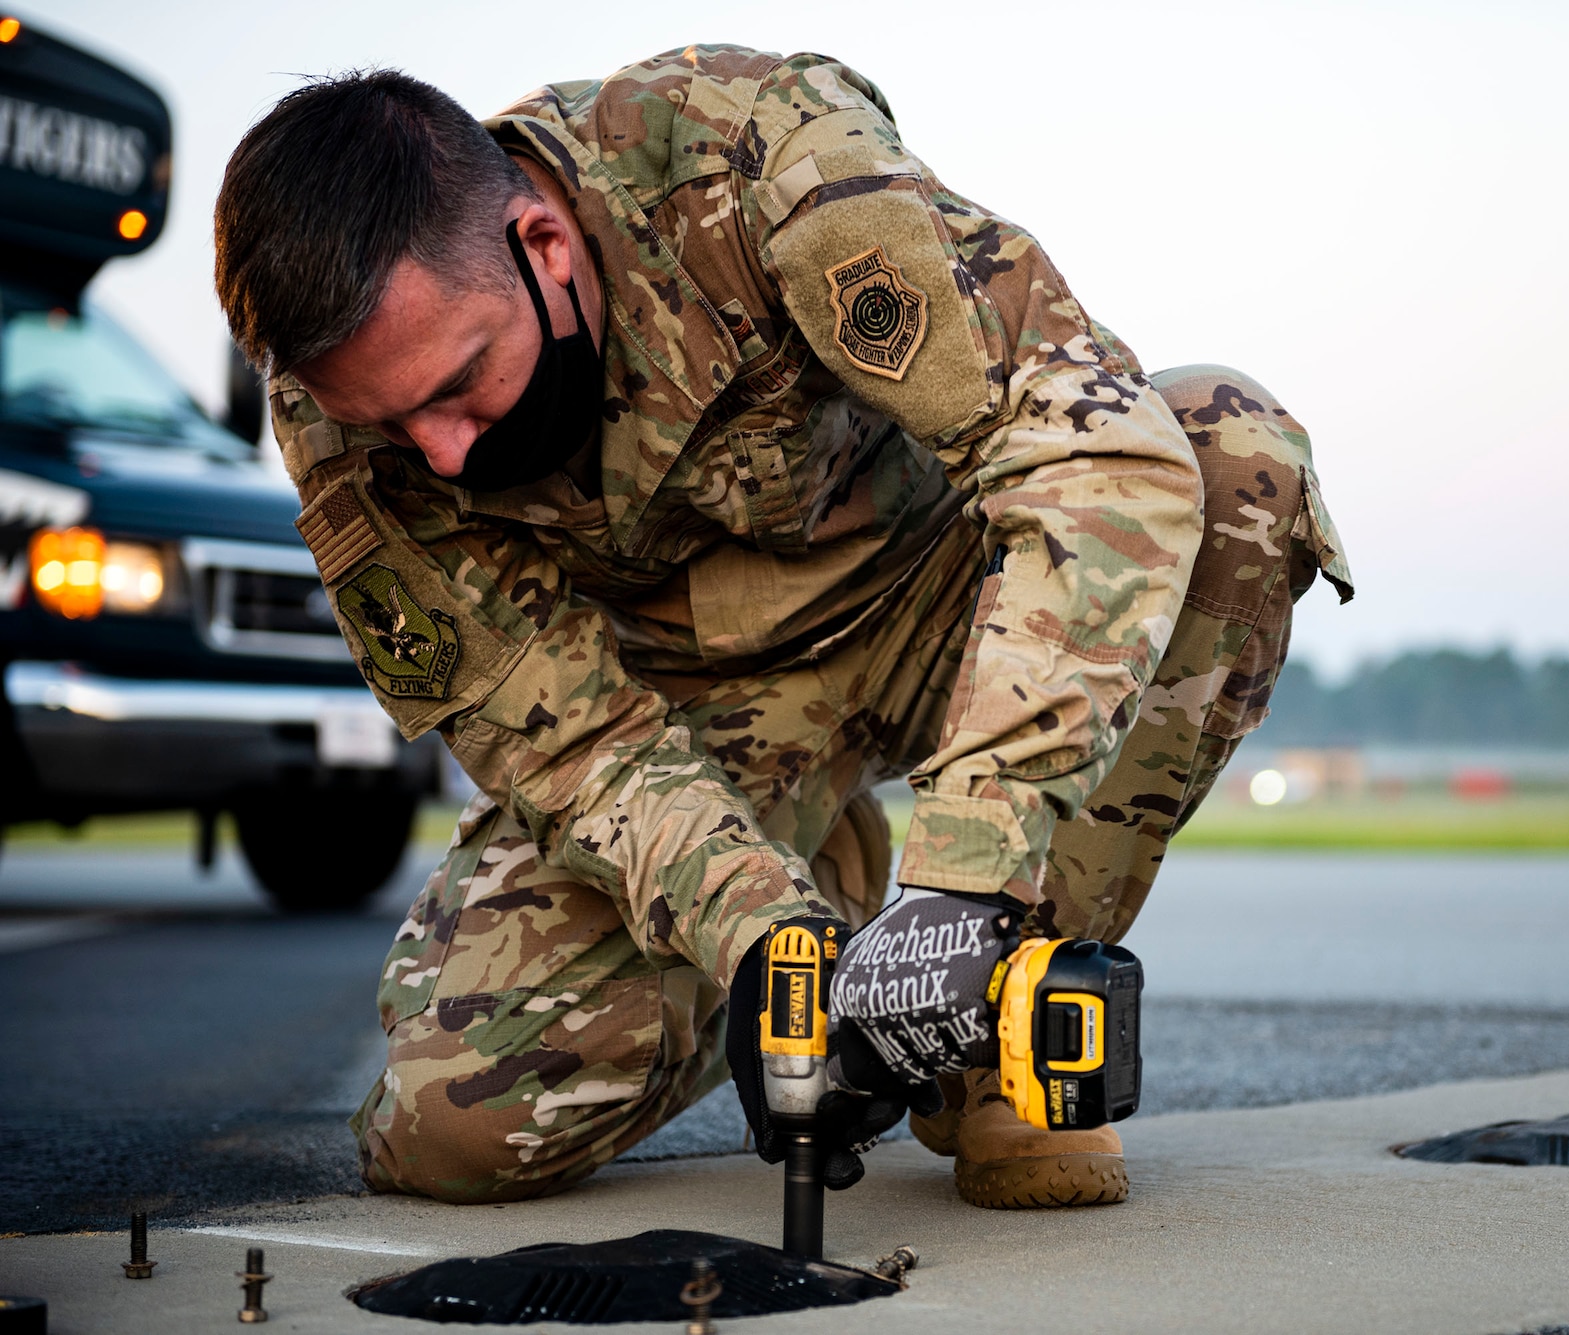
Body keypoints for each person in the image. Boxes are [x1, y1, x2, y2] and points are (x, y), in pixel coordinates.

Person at [212, 46, 1351, 1212]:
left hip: (942, 609)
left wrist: (960, 886)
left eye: (461, 386)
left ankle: (986, 1044)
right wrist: (761, 943)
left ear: (541, 248)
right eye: (396, 425)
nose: (442, 451)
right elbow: (564, 740)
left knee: (1230, 456)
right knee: (458, 1127)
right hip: (687, 724)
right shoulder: (334, 407)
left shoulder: (752, 151)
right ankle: (826, 889)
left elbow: (1088, 451)